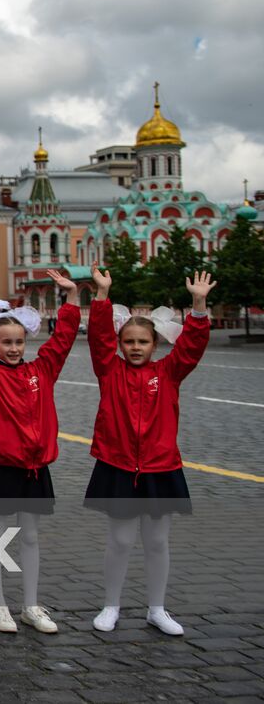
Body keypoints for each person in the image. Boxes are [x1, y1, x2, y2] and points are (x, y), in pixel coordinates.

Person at [0, 268, 80, 635]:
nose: (13, 348)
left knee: (30, 537)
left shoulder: (41, 370)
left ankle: (31, 605)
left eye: (19, 342)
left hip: (35, 469)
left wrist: (71, 298)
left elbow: (63, 340)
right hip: (0, 468)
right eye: (5, 342)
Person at [86, 269, 212, 636]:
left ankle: (157, 609)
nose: (136, 347)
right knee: (121, 541)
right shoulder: (109, 370)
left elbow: (192, 347)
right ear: (120, 344)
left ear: (155, 344)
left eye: (143, 341)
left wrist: (199, 304)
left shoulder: (169, 372)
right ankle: (111, 606)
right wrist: (102, 295)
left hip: (161, 468)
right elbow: (97, 338)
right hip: (118, 466)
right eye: (129, 342)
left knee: (157, 542)